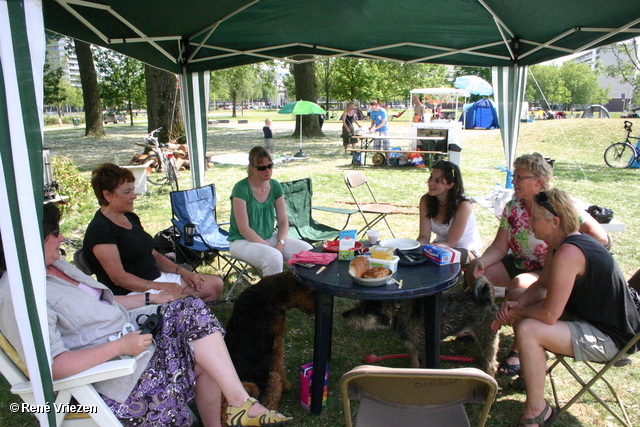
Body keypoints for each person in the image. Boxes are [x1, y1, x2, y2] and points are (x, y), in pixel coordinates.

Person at [0, 203, 292, 427]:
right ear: (26, 241)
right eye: (53, 234)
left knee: (192, 314)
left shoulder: (56, 267)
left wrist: (152, 298)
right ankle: (241, 407)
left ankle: (238, 405)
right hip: (113, 380)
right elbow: (51, 367)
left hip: (134, 348)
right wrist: (120, 347)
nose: (61, 238)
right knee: (202, 350)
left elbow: (104, 300)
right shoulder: (19, 294)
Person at [491, 189, 639, 427]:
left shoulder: (570, 252)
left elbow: (549, 314)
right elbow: (542, 285)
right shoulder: (559, 244)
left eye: (535, 217)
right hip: (588, 319)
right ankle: (532, 378)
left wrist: (516, 311)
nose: (529, 221)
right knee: (521, 302)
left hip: (611, 338)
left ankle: (537, 411)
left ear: (555, 221)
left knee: (529, 327)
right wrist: (517, 304)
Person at [467, 152, 609, 375]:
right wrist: (481, 262)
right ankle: (478, 323)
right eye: (514, 176)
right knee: (476, 273)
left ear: (538, 181)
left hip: (547, 269)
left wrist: (564, 251)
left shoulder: (559, 205)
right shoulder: (513, 206)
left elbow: (600, 238)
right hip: (517, 261)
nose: (513, 181)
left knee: (519, 288)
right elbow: (499, 247)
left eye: (519, 177)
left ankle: (518, 350)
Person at [83, 163, 222, 302]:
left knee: (215, 285)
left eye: (133, 190)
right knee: (189, 304)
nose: (134, 196)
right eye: (127, 192)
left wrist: (184, 273)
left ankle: (196, 321)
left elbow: (153, 254)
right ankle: (189, 321)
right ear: (108, 195)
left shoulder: (130, 217)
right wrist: (161, 286)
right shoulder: (100, 230)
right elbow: (119, 278)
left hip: (155, 279)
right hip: (131, 293)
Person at [228, 146, 312, 276]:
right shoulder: (241, 189)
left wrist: (280, 243)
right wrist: (272, 248)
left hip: (268, 237)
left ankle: (302, 291)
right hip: (241, 241)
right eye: (261, 168)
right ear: (251, 168)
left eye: (270, 165)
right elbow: (243, 229)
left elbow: (283, 221)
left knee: (307, 251)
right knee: (273, 257)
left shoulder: (275, 186)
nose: (267, 170)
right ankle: (273, 295)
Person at [416, 160, 482, 266]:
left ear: (450, 185)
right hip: (440, 247)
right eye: (431, 178)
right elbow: (424, 236)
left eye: (437, 181)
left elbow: (450, 243)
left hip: (466, 250)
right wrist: (412, 248)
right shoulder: (426, 200)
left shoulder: (463, 205)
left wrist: (424, 249)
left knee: (434, 260)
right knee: (415, 259)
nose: (431, 183)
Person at [368, 100, 391, 165]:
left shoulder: (383, 111)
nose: (373, 109)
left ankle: (388, 162)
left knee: (386, 146)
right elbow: (373, 121)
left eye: (374, 108)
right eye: (372, 108)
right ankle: (378, 161)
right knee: (377, 146)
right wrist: (371, 127)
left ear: (377, 105)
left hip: (384, 130)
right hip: (377, 131)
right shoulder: (372, 112)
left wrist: (375, 128)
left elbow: (383, 123)